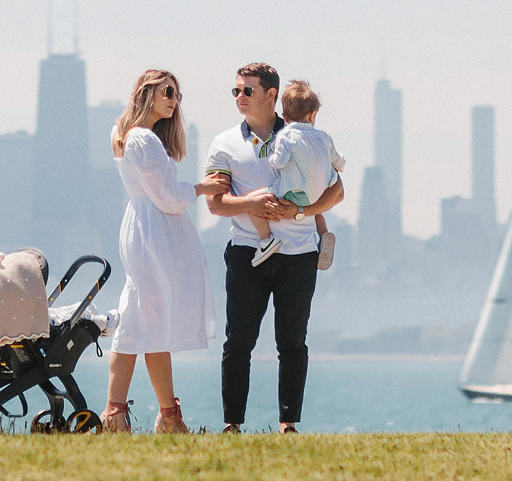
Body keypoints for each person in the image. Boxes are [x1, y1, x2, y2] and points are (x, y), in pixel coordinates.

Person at [204, 62, 343, 433]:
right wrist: (253, 205)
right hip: (247, 252)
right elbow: (215, 204)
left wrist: (301, 210)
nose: (239, 97)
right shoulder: (224, 143)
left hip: (299, 256)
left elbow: (338, 191)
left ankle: (288, 425)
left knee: (292, 343)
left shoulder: (305, 134)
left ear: (271, 95)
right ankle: (232, 424)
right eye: (235, 90)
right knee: (239, 343)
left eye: (247, 90)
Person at [101, 69, 215, 434]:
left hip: (145, 231)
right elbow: (167, 198)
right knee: (148, 321)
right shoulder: (142, 140)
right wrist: (200, 188)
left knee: (141, 322)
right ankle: (154, 417)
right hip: (154, 236)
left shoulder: (128, 135)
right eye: (167, 91)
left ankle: (143, 415)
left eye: (177, 94)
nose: (173, 99)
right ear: (146, 92)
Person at [254, 79, 342, 270]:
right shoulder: (324, 137)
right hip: (319, 194)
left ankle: (266, 240)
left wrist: (270, 159)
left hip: (295, 196)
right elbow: (339, 161)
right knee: (315, 205)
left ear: (284, 117)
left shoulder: (286, 136)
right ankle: (324, 234)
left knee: (254, 200)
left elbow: (279, 162)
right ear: (313, 114)